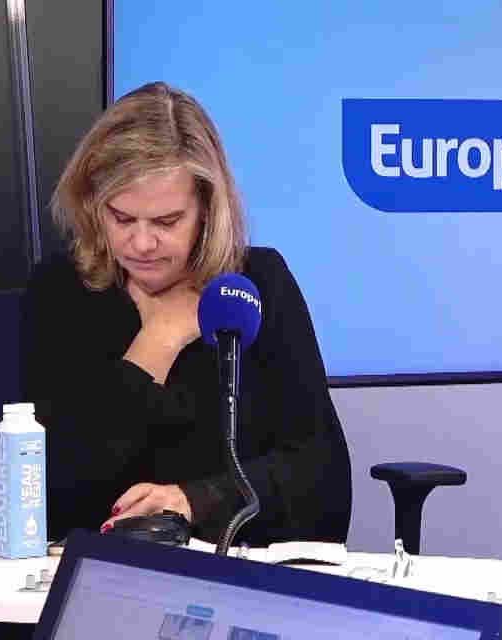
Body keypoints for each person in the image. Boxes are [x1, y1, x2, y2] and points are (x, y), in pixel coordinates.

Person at [23, 81, 351, 544]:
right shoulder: (60, 290)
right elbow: (45, 493)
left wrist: (194, 501)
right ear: (93, 205)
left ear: (207, 210)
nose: (141, 243)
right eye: (121, 218)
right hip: (100, 568)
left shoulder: (259, 284)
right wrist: (157, 343)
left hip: (233, 565)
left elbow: (324, 483)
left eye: (166, 221)